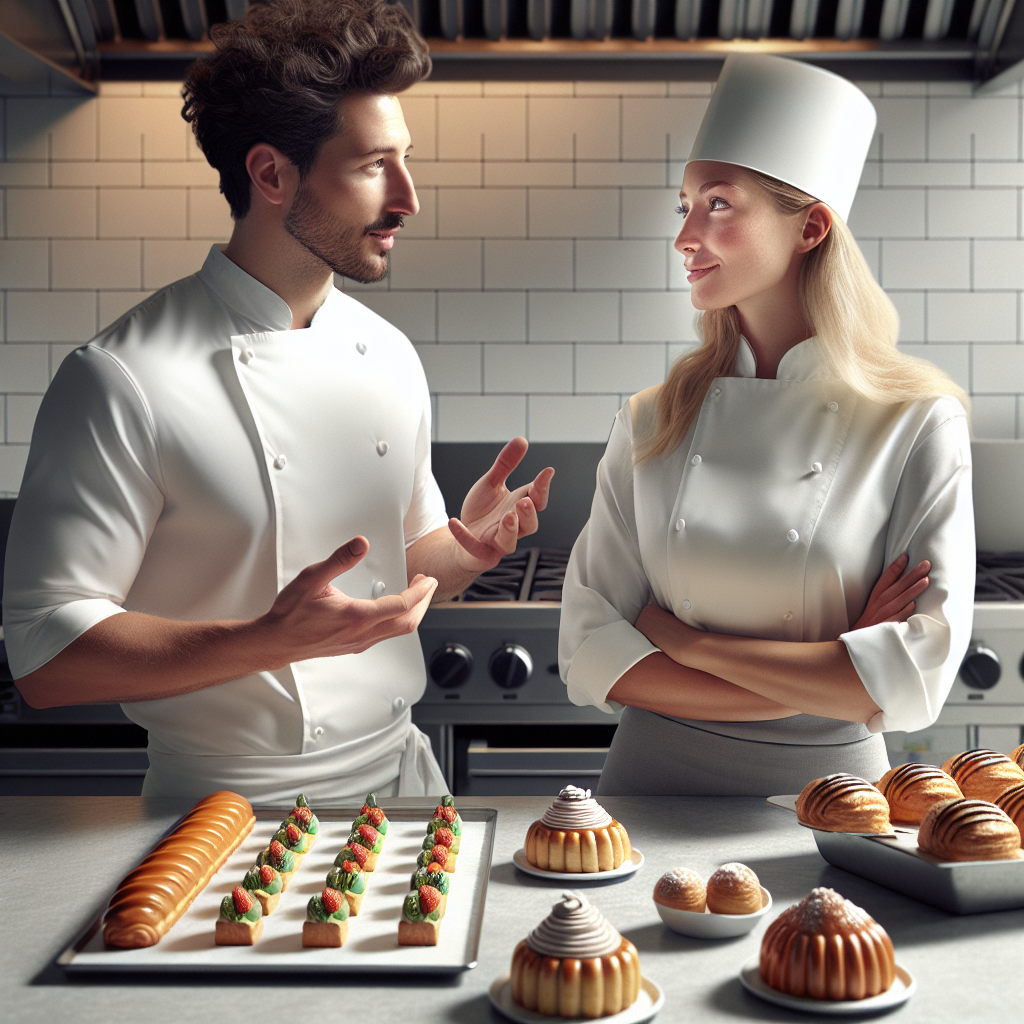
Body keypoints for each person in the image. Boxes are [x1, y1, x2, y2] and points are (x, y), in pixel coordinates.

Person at [3, 0, 552, 803]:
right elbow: (43, 656)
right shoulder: (123, 378)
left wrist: (464, 553)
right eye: (373, 166)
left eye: (404, 160)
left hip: (403, 792)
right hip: (221, 814)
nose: (408, 197)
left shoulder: (387, 353)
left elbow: (393, 578)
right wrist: (265, 641)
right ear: (270, 174)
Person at [558, 54, 974, 796]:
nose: (686, 235)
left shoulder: (915, 423)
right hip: (650, 790)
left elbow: (915, 675)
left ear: (811, 227)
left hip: (836, 800)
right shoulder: (651, 420)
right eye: (684, 206)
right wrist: (829, 667)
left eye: (718, 203)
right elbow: (590, 647)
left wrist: (686, 643)